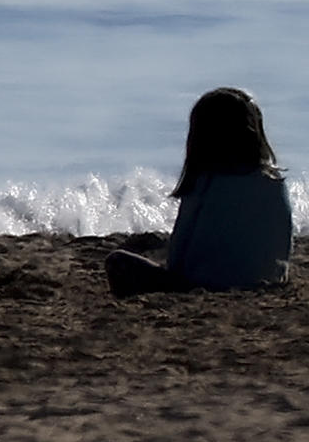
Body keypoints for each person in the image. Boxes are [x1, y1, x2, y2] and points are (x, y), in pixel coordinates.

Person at [104, 87, 293, 298]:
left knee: (117, 260)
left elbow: (177, 258)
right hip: (265, 283)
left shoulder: (205, 182)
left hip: (206, 286)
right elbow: (284, 243)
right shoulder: (276, 182)